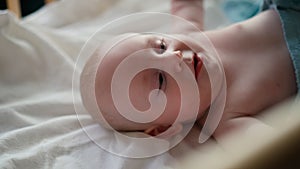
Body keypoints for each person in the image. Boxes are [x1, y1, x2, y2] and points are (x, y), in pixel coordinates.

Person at [80, 0, 299, 142]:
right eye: (160, 80)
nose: (173, 56)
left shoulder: (190, 36)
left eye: (160, 46)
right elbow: (279, 147)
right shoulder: (226, 121)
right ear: (164, 128)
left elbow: (186, 5)